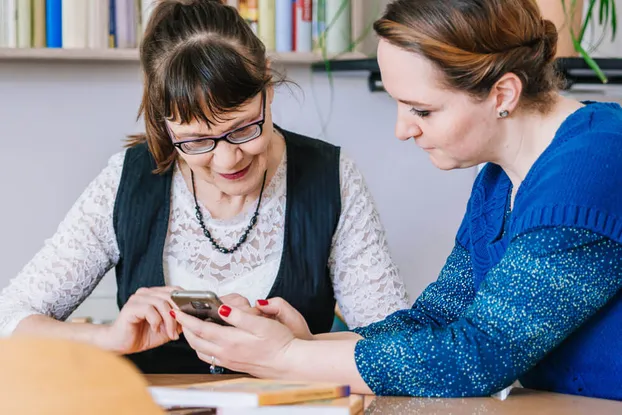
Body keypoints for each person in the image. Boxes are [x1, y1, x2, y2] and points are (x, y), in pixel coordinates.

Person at [171, 0, 622, 401]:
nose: (403, 129)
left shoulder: (595, 163)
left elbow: (478, 356)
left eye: (422, 110)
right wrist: (308, 345)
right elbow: (437, 320)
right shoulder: (499, 180)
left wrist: (286, 357)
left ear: (502, 94)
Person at [0, 0, 409, 374]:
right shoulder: (126, 180)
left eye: (244, 128)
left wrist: (304, 347)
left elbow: (400, 346)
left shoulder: (330, 176)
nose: (229, 160)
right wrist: (109, 339)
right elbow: (10, 319)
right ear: (164, 124)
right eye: (196, 142)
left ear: (267, 86)